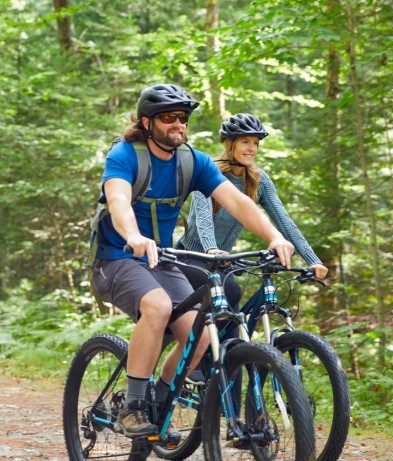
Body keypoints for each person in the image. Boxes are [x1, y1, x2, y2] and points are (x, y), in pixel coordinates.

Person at [90, 85, 295, 439]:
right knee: (157, 306)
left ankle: (160, 398)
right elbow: (118, 200)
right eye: (168, 117)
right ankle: (133, 408)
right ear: (146, 121)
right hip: (116, 258)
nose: (177, 124)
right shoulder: (125, 156)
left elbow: (239, 203)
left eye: (182, 118)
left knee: (199, 335)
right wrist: (134, 235)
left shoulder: (192, 161)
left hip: (162, 258)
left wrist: (275, 237)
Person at [175, 113, 328, 421]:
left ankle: (235, 418)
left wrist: (313, 260)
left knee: (236, 337)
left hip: (222, 262)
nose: (252, 148)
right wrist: (211, 249)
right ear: (230, 144)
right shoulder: (210, 173)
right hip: (191, 258)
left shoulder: (258, 180)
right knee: (230, 288)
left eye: (256, 143)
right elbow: (201, 219)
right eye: (246, 142)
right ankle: (198, 361)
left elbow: (284, 223)